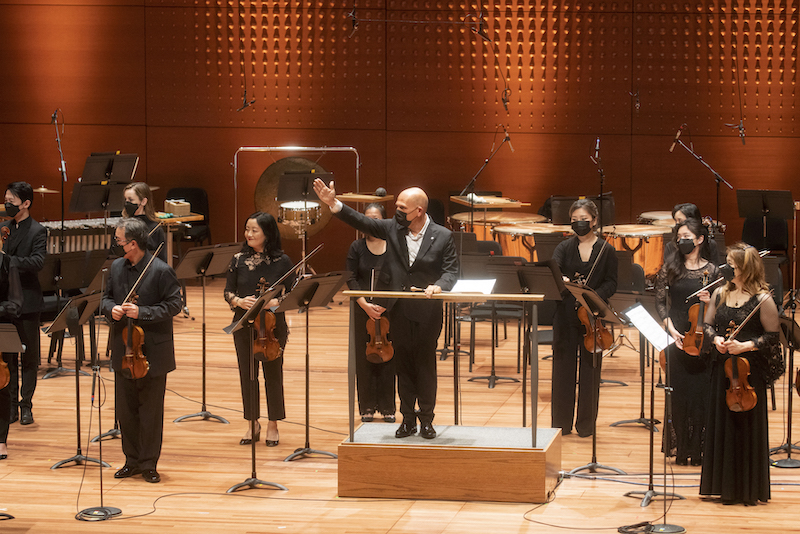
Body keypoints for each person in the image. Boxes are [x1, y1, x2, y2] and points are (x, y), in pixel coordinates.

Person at [313, 179, 458, 439]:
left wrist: (439, 286)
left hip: (427, 312)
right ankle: (407, 419)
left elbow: (451, 271)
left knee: (425, 365)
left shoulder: (444, 236)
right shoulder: (393, 228)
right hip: (399, 309)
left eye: (402, 208)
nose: (397, 212)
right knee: (402, 365)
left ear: (419, 211)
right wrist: (333, 203)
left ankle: (427, 418)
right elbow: (363, 222)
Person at [700, 243, 781, 505]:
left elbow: (772, 337)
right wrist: (716, 341)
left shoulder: (763, 300)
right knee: (721, 424)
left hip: (748, 373)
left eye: (731, 264)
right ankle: (721, 486)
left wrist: (746, 345)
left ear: (745, 269)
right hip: (723, 369)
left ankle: (748, 488)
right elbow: (708, 326)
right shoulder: (719, 294)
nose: (726, 268)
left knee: (746, 428)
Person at [103, 218, 182, 483]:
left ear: (133, 244)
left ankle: (149, 463)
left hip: (152, 352)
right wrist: (110, 309)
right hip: (123, 348)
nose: (116, 244)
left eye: (119, 240)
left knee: (150, 411)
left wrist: (143, 312)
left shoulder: (160, 270)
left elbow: (174, 305)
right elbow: (105, 298)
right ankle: (132, 460)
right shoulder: (115, 267)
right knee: (125, 410)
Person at [224, 212, 294, 447]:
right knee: (248, 374)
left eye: (254, 230)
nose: (249, 234)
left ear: (267, 233)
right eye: (247, 229)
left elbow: (292, 292)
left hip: (272, 326)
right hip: (244, 324)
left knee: (273, 375)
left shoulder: (282, 261)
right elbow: (228, 292)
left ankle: (273, 423)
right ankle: (252, 422)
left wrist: (274, 302)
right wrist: (238, 301)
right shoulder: (237, 259)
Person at [551, 198, 618, 437]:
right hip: (566, 315)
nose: (579, 224)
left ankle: (586, 425)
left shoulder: (607, 250)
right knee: (563, 370)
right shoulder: (564, 248)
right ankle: (561, 424)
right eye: (575, 221)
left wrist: (592, 297)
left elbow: (612, 282)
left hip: (594, 317)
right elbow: (555, 272)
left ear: (595, 221)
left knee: (590, 372)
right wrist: (565, 283)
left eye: (584, 220)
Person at [655, 218, 718, 465]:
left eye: (687, 236)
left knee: (700, 396)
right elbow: (661, 302)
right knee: (678, 396)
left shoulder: (712, 272)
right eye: (679, 236)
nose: (682, 240)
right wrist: (670, 329)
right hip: (677, 338)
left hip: (702, 341)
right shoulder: (670, 268)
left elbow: (719, 309)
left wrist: (709, 301)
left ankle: (697, 448)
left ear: (700, 239)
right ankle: (681, 448)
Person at [345, 202, 396, 423]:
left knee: (389, 357)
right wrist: (364, 303)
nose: (370, 222)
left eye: (375, 218)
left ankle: (388, 407)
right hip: (361, 309)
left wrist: (384, 304)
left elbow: (399, 279)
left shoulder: (395, 247)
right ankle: (366, 406)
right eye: (366, 218)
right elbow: (350, 276)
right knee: (363, 356)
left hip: (389, 310)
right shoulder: (356, 247)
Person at [1, 181, 47, 426]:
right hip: (6, 301)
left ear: (26, 203)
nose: (7, 204)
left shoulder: (37, 231)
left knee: (29, 357)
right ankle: (10, 407)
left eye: (12, 201)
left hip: (28, 301)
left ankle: (26, 404)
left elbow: (38, 261)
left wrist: (10, 262)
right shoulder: (3, 228)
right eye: (6, 200)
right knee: (8, 357)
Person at [0, 258, 23, 460]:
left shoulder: (7, 263)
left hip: (1, 331)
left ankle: (1, 440)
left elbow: (15, 304)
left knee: (1, 388)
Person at [122, 182, 168, 263]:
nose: (127, 203)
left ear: (143, 201)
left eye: (131, 200)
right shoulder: (122, 226)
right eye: (125, 199)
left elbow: (162, 260)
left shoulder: (155, 229)